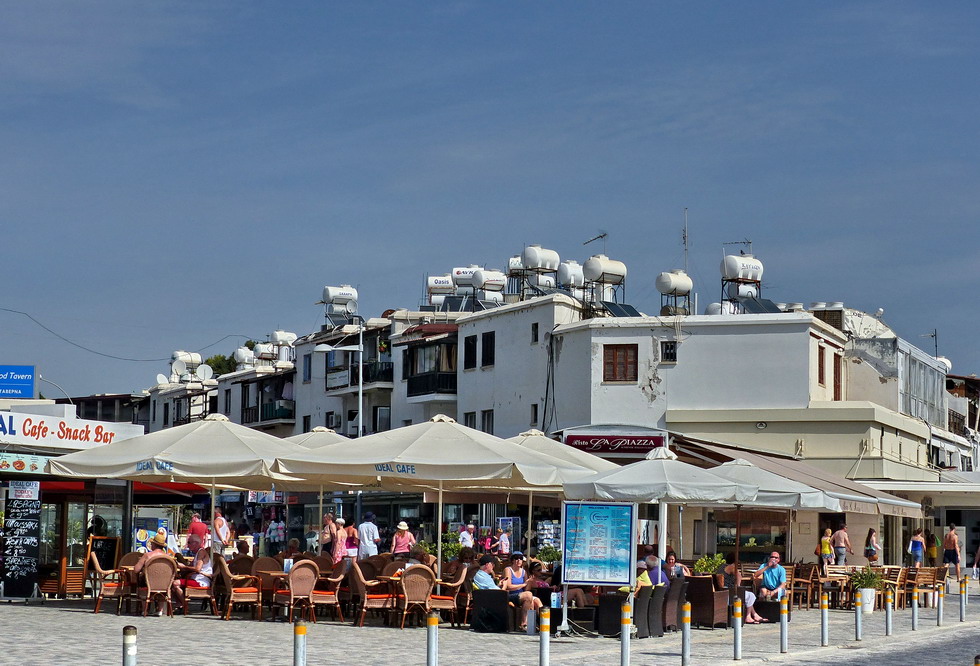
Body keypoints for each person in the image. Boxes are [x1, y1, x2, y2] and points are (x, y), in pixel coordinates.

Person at [718, 552, 767, 624]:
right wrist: (738, 586)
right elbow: (739, 576)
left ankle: (755, 615)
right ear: (735, 561)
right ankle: (748, 616)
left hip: (722, 593)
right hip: (730, 594)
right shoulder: (732, 567)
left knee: (748, 596)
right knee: (751, 595)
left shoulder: (722, 567)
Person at [500, 552, 542, 630]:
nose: (518, 560)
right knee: (528, 595)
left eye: (521, 558)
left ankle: (539, 623)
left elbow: (526, 589)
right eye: (516, 558)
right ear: (512, 560)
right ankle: (524, 623)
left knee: (536, 601)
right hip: (510, 595)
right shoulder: (508, 570)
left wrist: (529, 582)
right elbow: (508, 586)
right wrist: (522, 585)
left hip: (522, 595)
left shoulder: (523, 572)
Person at [133, 533, 172, 616]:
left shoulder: (147, 555)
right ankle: (160, 610)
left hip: (148, 583)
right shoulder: (168, 557)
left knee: (141, 581)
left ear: (153, 545)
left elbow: (136, 570)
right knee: (164, 582)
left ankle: (144, 609)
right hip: (164, 584)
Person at [173, 542, 212, 611]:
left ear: (195, 543)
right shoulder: (198, 553)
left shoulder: (201, 552)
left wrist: (184, 567)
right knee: (173, 584)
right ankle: (180, 604)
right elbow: (193, 567)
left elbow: (197, 569)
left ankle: (185, 605)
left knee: (175, 583)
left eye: (189, 542)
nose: (188, 545)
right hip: (197, 579)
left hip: (201, 581)